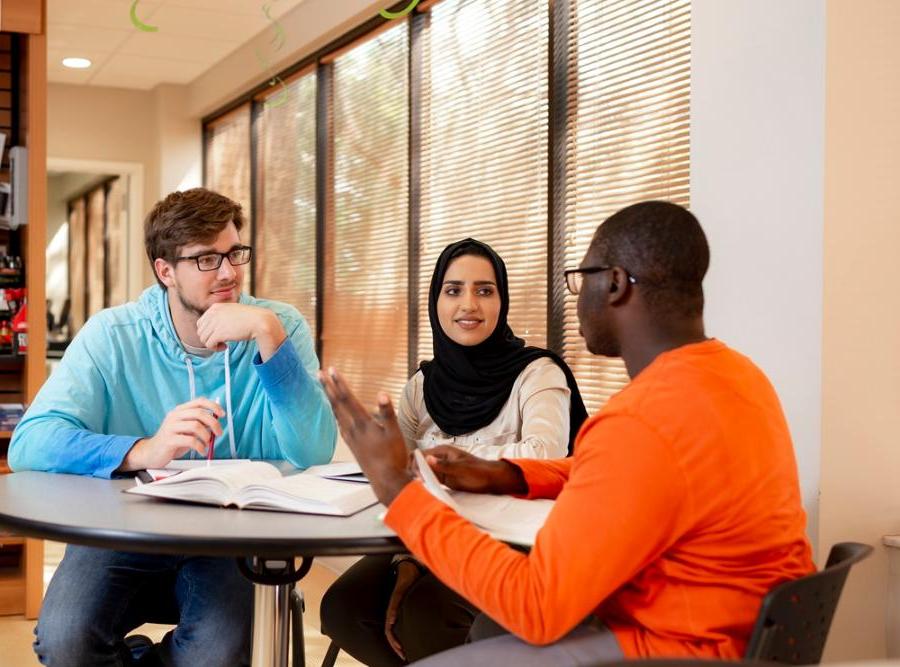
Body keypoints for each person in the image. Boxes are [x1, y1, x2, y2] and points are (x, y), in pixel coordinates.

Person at [319, 201, 815, 665]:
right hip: (738, 635)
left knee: (485, 630)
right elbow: (625, 470)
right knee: (477, 629)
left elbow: (536, 607)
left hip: (680, 651)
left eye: (581, 279)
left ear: (616, 284)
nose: (575, 300)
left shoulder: (637, 418)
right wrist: (506, 474)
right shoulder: (738, 376)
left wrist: (398, 489)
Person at [10, 187, 337, 666]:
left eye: (233, 253)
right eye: (206, 259)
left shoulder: (277, 325)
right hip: (123, 530)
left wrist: (268, 335)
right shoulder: (113, 335)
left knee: (215, 654)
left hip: (230, 540)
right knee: (64, 640)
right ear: (165, 271)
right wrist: (145, 449)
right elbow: (30, 442)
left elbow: (313, 449)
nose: (228, 273)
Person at [320, 238, 587, 666]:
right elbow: (403, 479)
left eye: (485, 290)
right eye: (453, 290)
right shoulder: (420, 387)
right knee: (345, 608)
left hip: (515, 542)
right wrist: (411, 559)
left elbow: (543, 454)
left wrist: (444, 456)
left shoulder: (539, 372)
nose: (469, 305)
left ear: (502, 300)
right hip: (429, 530)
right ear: (435, 301)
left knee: (427, 615)